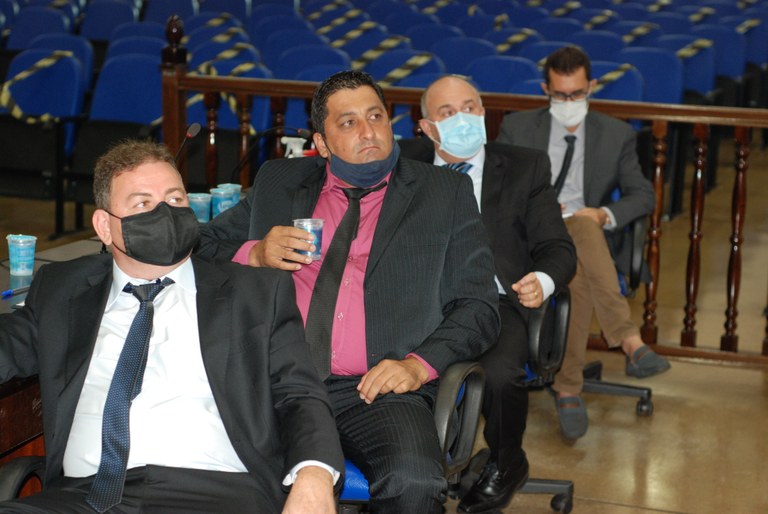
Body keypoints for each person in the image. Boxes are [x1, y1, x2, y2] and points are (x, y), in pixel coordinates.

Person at [198, 70, 500, 513]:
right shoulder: (280, 182)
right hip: (276, 380)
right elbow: (200, 245)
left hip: (377, 390)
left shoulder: (444, 193)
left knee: (415, 482)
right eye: (349, 122)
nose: (368, 131)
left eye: (375, 117)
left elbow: (478, 307)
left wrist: (418, 365)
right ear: (321, 144)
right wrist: (255, 252)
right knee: (193, 461)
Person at [0, 141, 343, 514]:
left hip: (214, 493)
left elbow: (299, 396)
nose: (165, 213)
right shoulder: (62, 290)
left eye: (175, 199)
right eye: (143, 204)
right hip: (86, 496)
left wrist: (314, 473)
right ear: (104, 226)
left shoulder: (255, 293)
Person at [399, 75, 576, 514]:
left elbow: (558, 248)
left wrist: (543, 281)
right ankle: (406, 465)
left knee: (497, 374)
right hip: (419, 299)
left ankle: (506, 461)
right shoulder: (401, 162)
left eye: (470, 107)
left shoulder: (524, 166)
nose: (463, 118)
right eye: (447, 113)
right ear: (427, 127)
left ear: (483, 112)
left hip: (495, 302)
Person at [497, 46, 671, 441]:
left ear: (591, 86)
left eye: (576, 94)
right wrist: (536, 204)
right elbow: (499, 189)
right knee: (577, 249)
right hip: (531, 232)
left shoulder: (616, 134)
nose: (569, 102)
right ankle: (628, 340)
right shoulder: (518, 128)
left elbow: (643, 195)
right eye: (560, 95)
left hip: (584, 231)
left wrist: (603, 214)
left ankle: (568, 385)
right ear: (546, 90)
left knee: (579, 254)